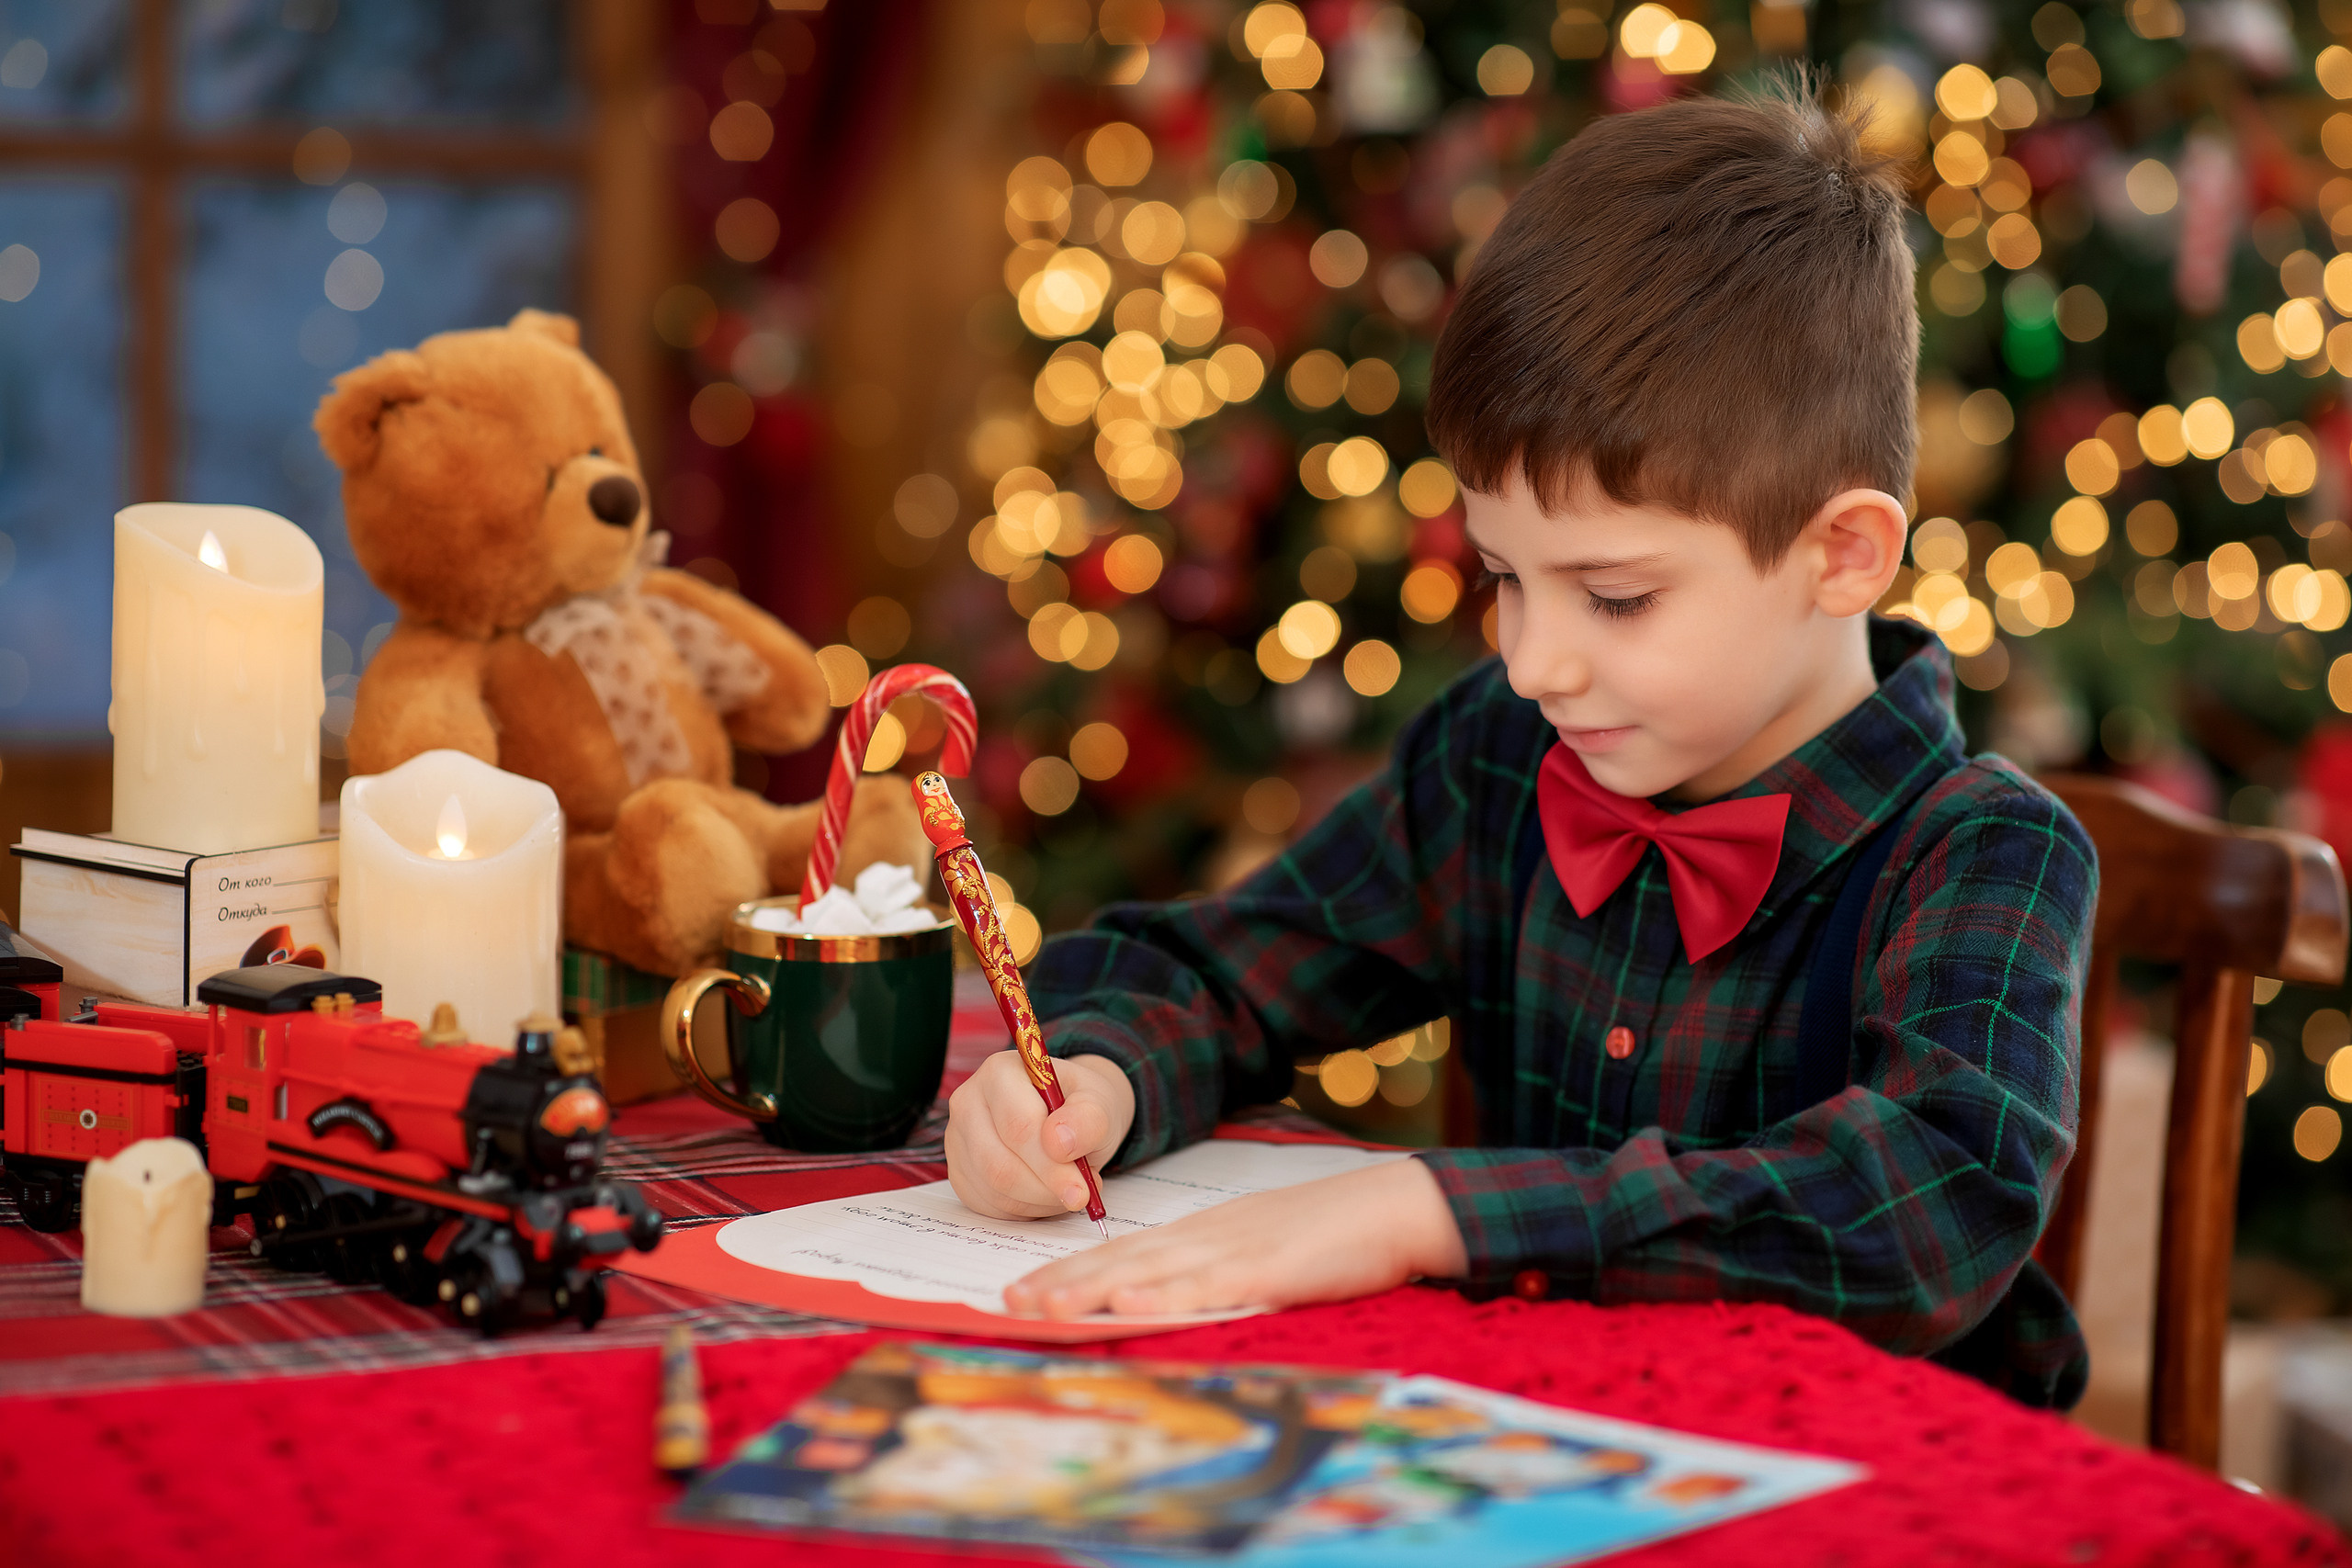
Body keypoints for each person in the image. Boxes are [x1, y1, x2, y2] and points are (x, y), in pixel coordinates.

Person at [943, 85, 2097, 1407]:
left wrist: (1428, 1211)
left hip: (1865, 1499)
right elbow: (1233, 968)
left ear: (1842, 554)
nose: (1534, 659)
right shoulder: (1502, 757)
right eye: (1503, 573)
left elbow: (1921, 1208)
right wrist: (1096, 1080)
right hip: (1524, 1456)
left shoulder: (1984, 853)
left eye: (1615, 596)